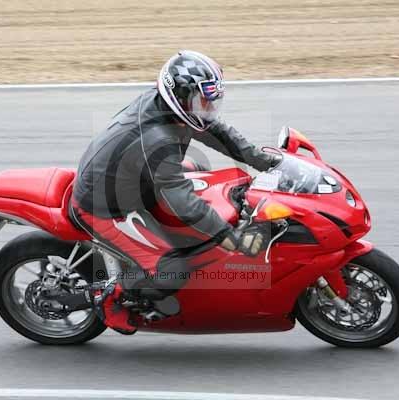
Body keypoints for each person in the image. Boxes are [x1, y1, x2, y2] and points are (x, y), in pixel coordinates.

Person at [69, 50, 281, 332]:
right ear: (179, 96)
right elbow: (179, 198)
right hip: (105, 206)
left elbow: (218, 132)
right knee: (173, 271)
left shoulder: (171, 109)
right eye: (201, 101)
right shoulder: (157, 137)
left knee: (202, 177)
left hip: (136, 178)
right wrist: (227, 235)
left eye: (210, 101)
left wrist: (266, 161)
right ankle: (110, 298)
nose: (207, 107)